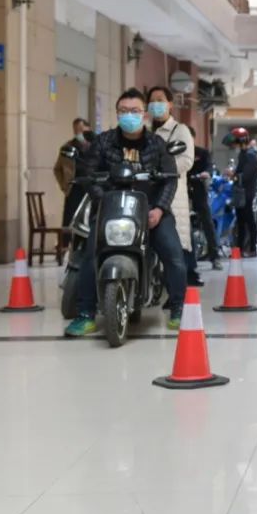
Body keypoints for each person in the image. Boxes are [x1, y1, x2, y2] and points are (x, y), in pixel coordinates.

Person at [64, 88, 188, 335]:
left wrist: (160, 209)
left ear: (144, 114)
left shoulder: (157, 143)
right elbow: (89, 176)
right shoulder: (103, 142)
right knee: (89, 255)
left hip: (151, 211)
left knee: (174, 255)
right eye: (123, 111)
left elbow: (170, 179)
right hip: (111, 209)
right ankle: (86, 313)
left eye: (134, 111)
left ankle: (178, 308)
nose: (129, 115)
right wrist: (102, 200)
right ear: (117, 114)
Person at [148, 86, 199, 287]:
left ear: (170, 104)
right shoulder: (144, 131)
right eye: (152, 101)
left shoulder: (180, 131)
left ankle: (176, 293)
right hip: (145, 193)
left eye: (160, 100)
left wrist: (162, 170)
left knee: (173, 247)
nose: (156, 104)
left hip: (171, 194)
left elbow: (187, 160)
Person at [188, 128, 223, 270]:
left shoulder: (201, 153)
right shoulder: (176, 152)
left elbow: (209, 166)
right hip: (180, 191)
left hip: (198, 190)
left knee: (207, 221)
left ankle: (215, 257)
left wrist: (206, 173)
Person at [54, 118, 92, 246]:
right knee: (70, 218)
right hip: (74, 188)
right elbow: (57, 169)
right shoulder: (68, 147)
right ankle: (65, 246)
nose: (79, 133)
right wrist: (64, 186)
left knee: (89, 217)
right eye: (76, 130)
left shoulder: (96, 146)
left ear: (88, 129)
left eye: (81, 130)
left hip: (90, 188)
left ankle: (88, 244)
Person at [230, 127, 257, 258]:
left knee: (249, 221)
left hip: (247, 193)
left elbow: (246, 175)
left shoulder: (250, 156)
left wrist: (234, 175)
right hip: (240, 193)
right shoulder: (243, 155)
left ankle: (252, 248)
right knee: (240, 222)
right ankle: (239, 249)